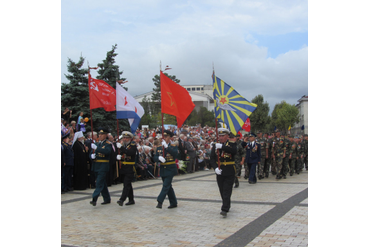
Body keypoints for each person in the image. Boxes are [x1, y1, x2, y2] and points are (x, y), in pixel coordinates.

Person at [210, 128, 237, 217]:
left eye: (222, 136)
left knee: (227, 190)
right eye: (219, 136)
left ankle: (224, 209)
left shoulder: (232, 144)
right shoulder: (215, 145)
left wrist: (222, 147)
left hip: (229, 170)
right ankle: (227, 204)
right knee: (222, 190)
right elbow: (212, 159)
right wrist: (215, 168)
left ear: (227, 136)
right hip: (220, 171)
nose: (221, 138)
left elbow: (234, 151)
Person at [153, 130, 179, 209]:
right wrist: (158, 158)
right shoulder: (159, 147)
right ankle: (173, 202)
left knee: (165, 186)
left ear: (170, 138)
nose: (164, 138)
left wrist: (167, 147)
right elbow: (154, 157)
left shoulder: (173, 146)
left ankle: (160, 201)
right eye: (163, 136)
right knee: (168, 187)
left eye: (166, 136)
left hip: (170, 169)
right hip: (163, 169)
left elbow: (175, 154)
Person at [89, 127, 112, 206]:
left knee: (99, 183)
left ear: (106, 135)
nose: (100, 136)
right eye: (100, 134)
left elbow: (107, 152)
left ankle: (94, 199)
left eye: (102, 134)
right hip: (96, 165)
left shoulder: (108, 144)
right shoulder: (96, 144)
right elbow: (91, 153)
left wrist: (97, 149)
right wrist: (91, 156)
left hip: (103, 166)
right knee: (102, 183)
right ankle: (107, 198)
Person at [116, 131, 137, 206]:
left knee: (126, 184)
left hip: (130, 167)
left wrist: (121, 148)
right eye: (124, 138)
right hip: (123, 167)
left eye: (126, 138)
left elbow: (130, 153)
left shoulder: (133, 145)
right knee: (128, 184)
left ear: (130, 138)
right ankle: (131, 200)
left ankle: (122, 199)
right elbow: (122, 153)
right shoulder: (123, 146)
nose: (124, 139)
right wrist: (118, 156)